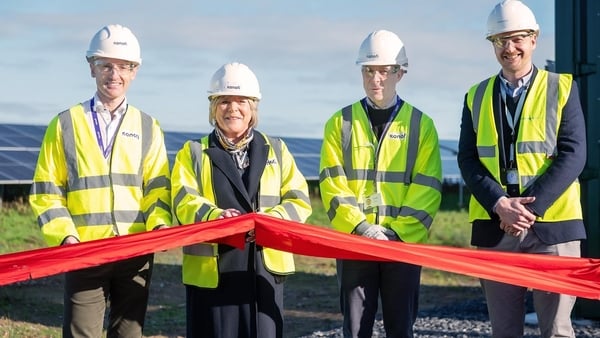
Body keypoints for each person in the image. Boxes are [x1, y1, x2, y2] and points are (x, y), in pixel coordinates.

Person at [28, 24, 172, 337]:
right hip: (83, 250)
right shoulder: (64, 124)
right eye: (105, 65)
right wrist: (66, 237)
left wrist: (159, 227)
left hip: (135, 251)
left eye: (124, 67)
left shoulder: (149, 126)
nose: (114, 74)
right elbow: (46, 192)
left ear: (135, 72)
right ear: (91, 67)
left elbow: (158, 189)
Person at [457, 1, 587, 337]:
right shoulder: (476, 95)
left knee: (557, 329)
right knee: (504, 330)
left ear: (533, 39)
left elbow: (574, 154)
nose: (509, 47)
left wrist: (528, 210)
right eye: (500, 40)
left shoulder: (562, 87)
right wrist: (500, 204)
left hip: (553, 229)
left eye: (516, 38)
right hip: (495, 226)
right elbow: (468, 160)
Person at [171, 62, 312, 338]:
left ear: (253, 108)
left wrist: (274, 219)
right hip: (213, 274)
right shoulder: (193, 152)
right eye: (224, 101)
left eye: (241, 101)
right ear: (213, 107)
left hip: (264, 274)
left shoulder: (278, 150)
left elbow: (299, 199)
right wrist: (215, 218)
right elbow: (183, 200)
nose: (232, 108)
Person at [319, 30, 443, 338]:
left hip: (402, 244)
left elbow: (427, 188)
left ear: (400, 73)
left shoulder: (420, 125)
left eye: (385, 71)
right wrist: (361, 228)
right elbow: (332, 183)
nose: (377, 79)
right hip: (355, 242)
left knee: (401, 328)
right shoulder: (340, 122)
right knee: (355, 329)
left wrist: (396, 232)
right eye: (369, 71)